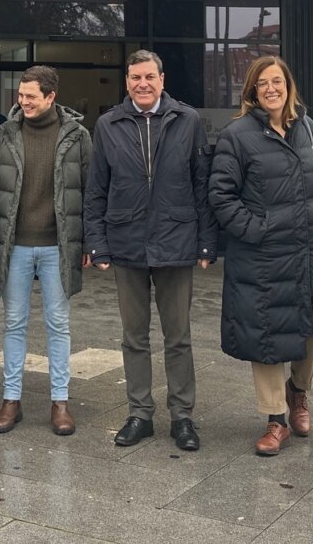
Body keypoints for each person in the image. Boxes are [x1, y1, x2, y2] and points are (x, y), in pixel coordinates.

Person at [208, 55, 313, 457]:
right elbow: (220, 195)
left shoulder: (307, 127)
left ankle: (298, 390)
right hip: (262, 258)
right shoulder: (238, 135)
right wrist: (258, 230)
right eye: (263, 83)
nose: (271, 89)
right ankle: (275, 419)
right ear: (252, 90)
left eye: (278, 82)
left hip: (309, 249)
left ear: (288, 86)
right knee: (267, 335)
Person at [85, 49, 217, 452]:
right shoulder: (107, 125)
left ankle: (183, 417)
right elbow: (96, 190)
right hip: (126, 243)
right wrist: (97, 242)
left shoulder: (187, 120)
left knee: (178, 336)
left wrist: (206, 240)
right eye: (135, 77)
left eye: (149, 77)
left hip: (177, 241)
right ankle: (139, 413)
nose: (142, 84)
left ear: (163, 79)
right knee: (133, 337)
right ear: (126, 81)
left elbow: (202, 185)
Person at [0, 65, 91, 437]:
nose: (23, 101)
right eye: (20, 95)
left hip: (57, 248)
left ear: (50, 97)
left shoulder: (77, 137)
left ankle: (60, 402)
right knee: (13, 324)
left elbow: (90, 193)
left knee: (58, 325)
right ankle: (11, 400)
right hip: (14, 246)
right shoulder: (3, 134)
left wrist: (88, 242)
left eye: (31, 96)